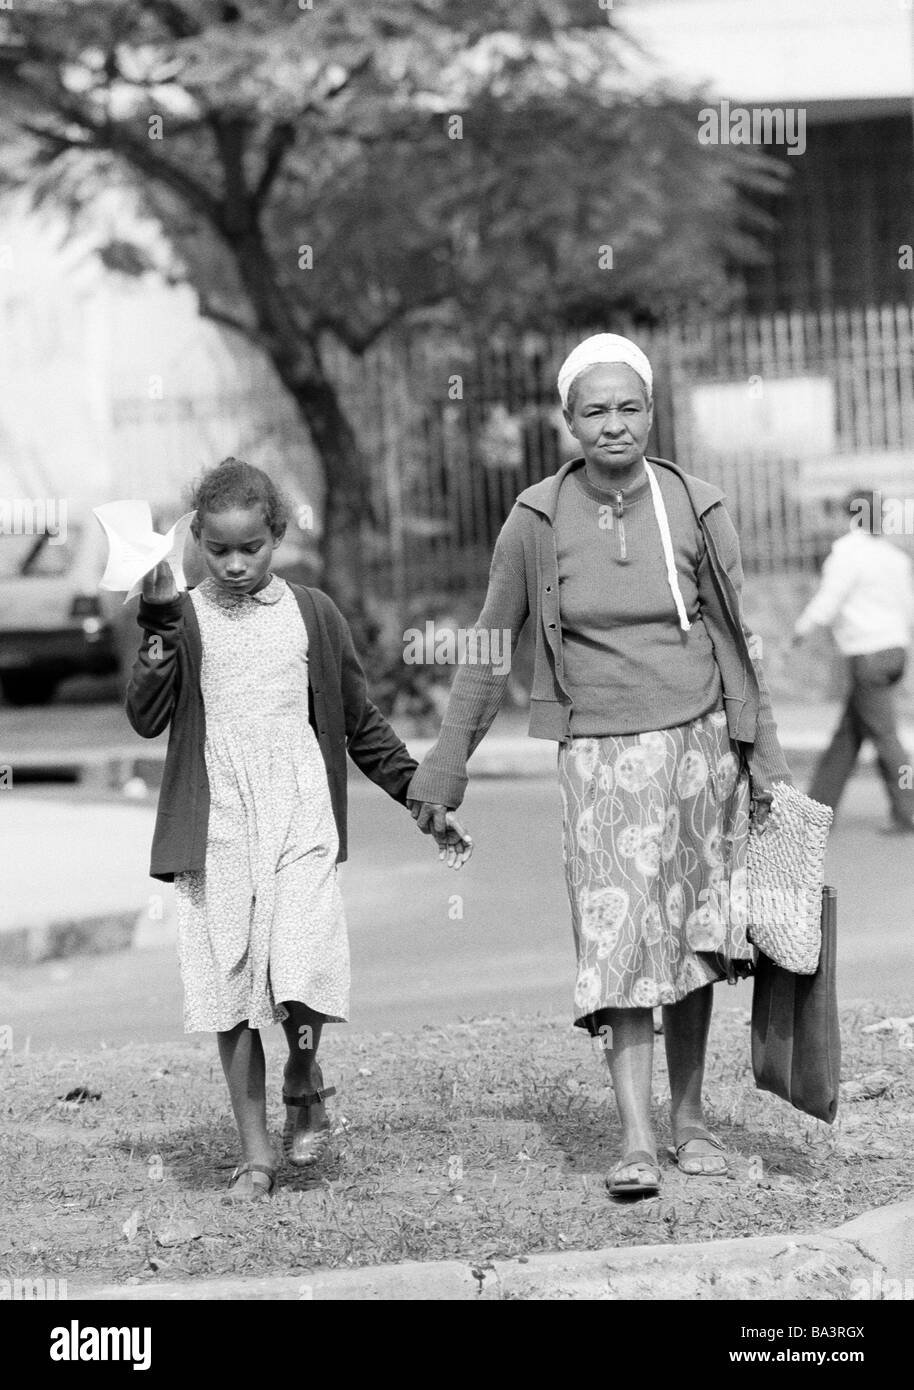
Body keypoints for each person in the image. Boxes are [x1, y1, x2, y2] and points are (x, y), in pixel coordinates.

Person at [407, 333, 790, 1197]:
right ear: (568, 421)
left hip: (698, 750)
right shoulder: (536, 519)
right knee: (619, 942)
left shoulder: (697, 503)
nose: (613, 424)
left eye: (629, 407)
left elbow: (737, 642)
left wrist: (765, 760)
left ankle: (690, 1124)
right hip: (598, 760)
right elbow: (487, 642)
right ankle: (636, 1139)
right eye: (594, 410)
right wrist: (445, 763)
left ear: (650, 413)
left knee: (695, 941)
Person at [126, 458, 472, 1199]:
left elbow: (358, 723)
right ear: (198, 544)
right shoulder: (182, 615)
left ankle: (302, 1072)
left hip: (299, 808)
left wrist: (419, 794)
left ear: (277, 535)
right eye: (218, 550)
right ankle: (257, 1157)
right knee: (231, 988)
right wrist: (155, 631)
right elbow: (146, 717)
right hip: (217, 817)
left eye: (250, 546)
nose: (235, 563)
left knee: (300, 958)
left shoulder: (313, 613)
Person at [793, 487, 914, 831]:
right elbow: (907, 607)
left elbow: (829, 601)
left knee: (887, 738)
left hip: (867, 653)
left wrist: (799, 631)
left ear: (848, 515)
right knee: (847, 737)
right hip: (894, 650)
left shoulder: (847, 554)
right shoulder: (895, 557)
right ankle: (818, 809)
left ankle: (909, 809)